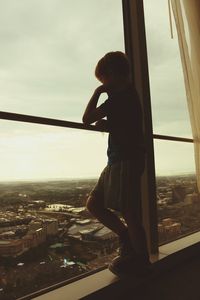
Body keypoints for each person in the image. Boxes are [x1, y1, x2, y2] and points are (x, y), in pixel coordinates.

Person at [82, 51, 150, 276]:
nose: (104, 86)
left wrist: (97, 92)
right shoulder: (129, 97)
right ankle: (127, 239)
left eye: (104, 81)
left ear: (111, 74)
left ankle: (140, 259)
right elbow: (126, 126)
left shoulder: (120, 99)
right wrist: (110, 125)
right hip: (119, 159)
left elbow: (86, 118)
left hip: (124, 159)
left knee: (129, 211)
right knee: (95, 203)